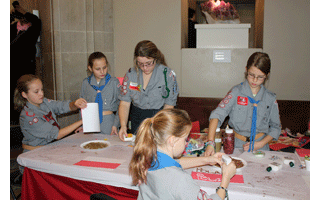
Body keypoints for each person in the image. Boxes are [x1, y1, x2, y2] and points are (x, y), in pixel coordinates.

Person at [129, 109, 236, 200]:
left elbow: (175, 163)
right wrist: (225, 180)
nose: (186, 142)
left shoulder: (146, 158)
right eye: (185, 139)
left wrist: (207, 160)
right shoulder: (180, 179)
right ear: (172, 140)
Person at [205, 52, 281, 156]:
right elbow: (216, 116)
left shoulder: (270, 98)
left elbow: (276, 127)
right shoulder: (236, 92)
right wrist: (210, 142)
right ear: (246, 70)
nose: (254, 80)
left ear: (267, 75)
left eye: (260, 77)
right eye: (251, 75)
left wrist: (260, 144)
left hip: (261, 147)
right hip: (236, 146)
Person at [118, 40, 179, 141]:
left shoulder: (167, 75)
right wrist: (123, 125)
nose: (145, 68)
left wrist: (160, 125)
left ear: (155, 59)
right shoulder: (130, 75)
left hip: (159, 116)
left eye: (148, 63)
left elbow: (169, 105)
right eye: (140, 64)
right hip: (137, 117)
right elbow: (124, 103)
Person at [14, 74, 87, 153]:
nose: (41, 94)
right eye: (36, 92)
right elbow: (57, 135)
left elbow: (61, 106)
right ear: (24, 94)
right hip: (35, 152)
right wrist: (82, 121)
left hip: (49, 148)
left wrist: (75, 104)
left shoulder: (44, 102)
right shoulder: (28, 116)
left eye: (42, 90)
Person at [10, 1, 42, 125]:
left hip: (26, 67)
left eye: (25, 15)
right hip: (11, 66)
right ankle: (13, 117)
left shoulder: (32, 29)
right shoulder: (11, 28)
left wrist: (22, 10)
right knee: (11, 91)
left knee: (25, 91)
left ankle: (26, 117)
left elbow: (37, 20)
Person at [79, 52, 120, 134]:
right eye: (98, 69)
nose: (102, 72)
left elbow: (121, 106)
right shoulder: (86, 83)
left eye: (104, 67)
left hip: (109, 123)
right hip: (91, 122)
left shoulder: (114, 82)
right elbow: (81, 106)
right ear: (90, 68)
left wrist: (116, 124)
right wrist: (82, 125)